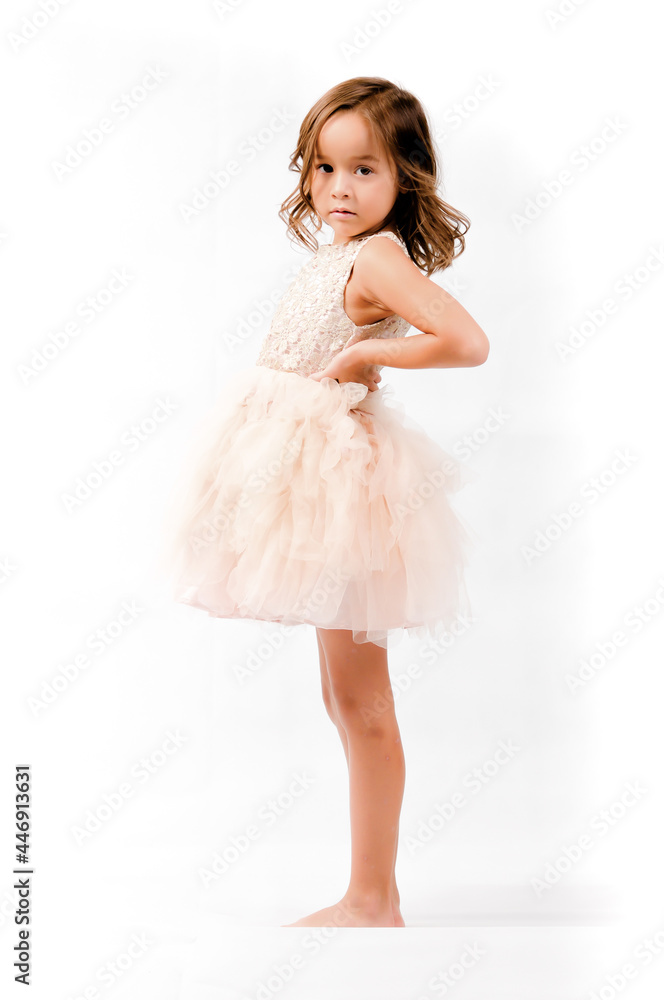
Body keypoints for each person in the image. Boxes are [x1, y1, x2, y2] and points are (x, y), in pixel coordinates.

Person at [160, 76, 489, 928]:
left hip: (339, 486)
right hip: (306, 478)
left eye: (364, 170)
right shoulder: (337, 255)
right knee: (344, 698)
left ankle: (374, 898)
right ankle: (367, 891)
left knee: (363, 699)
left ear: (404, 178)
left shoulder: (378, 257)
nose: (339, 189)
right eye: (324, 168)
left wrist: (366, 356)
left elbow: (466, 340)